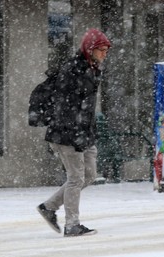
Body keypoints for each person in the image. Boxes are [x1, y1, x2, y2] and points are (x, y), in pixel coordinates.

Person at [37, 28, 111, 237]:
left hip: (83, 132)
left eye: (106, 50)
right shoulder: (73, 70)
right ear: (90, 49)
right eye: (101, 50)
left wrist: (87, 131)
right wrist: (76, 132)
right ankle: (72, 225)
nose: (105, 54)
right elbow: (65, 106)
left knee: (89, 175)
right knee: (76, 178)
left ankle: (49, 207)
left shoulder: (92, 69)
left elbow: (86, 106)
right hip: (67, 134)